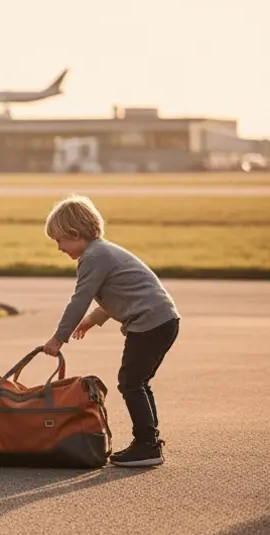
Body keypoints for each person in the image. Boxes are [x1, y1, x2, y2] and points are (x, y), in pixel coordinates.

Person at [41, 195, 181, 468]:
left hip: (150, 323)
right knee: (136, 381)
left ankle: (147, 445)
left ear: (74, 233)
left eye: (59, 240)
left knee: (130, 382)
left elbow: (79, 299)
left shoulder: (93, 257)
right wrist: (93, 319)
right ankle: (148, 442)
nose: (59, 248)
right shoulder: (102, 252)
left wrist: (58, 338)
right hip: (162, 320)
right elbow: (122, 293)